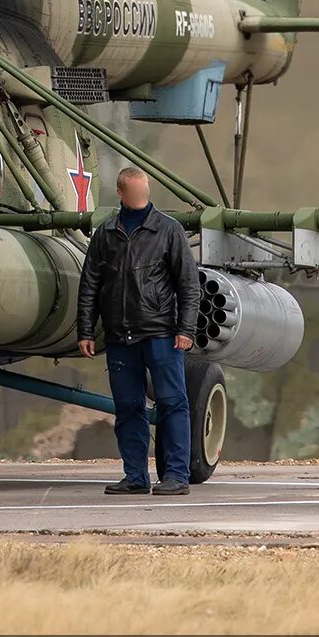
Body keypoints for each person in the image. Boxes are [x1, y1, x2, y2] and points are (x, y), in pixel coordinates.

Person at [76, 167, 202, 496]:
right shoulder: (105, 234)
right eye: (136, 192)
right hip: (120, 337)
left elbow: (189, 284)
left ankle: (176, 475)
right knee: (128, 406)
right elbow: (90, 284)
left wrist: (185, 328)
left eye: (145, 192)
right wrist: (86, 330)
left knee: (173, 403)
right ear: (121, 193)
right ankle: (135, 476)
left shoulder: (169, 230)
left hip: (161, 333)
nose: (142, 198)